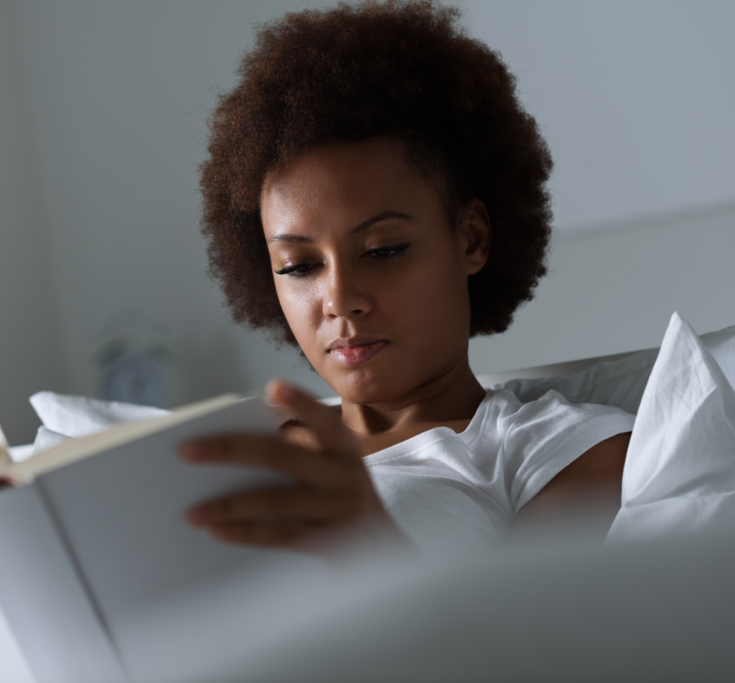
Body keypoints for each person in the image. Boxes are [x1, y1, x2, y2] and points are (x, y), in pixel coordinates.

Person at [178, 0, 635, 562]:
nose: (340, 300)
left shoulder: (558, 450)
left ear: (470, 239)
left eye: (383, 250)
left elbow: (535, 648)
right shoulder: (243, 443)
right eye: (300, 266)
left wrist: (368, 540)